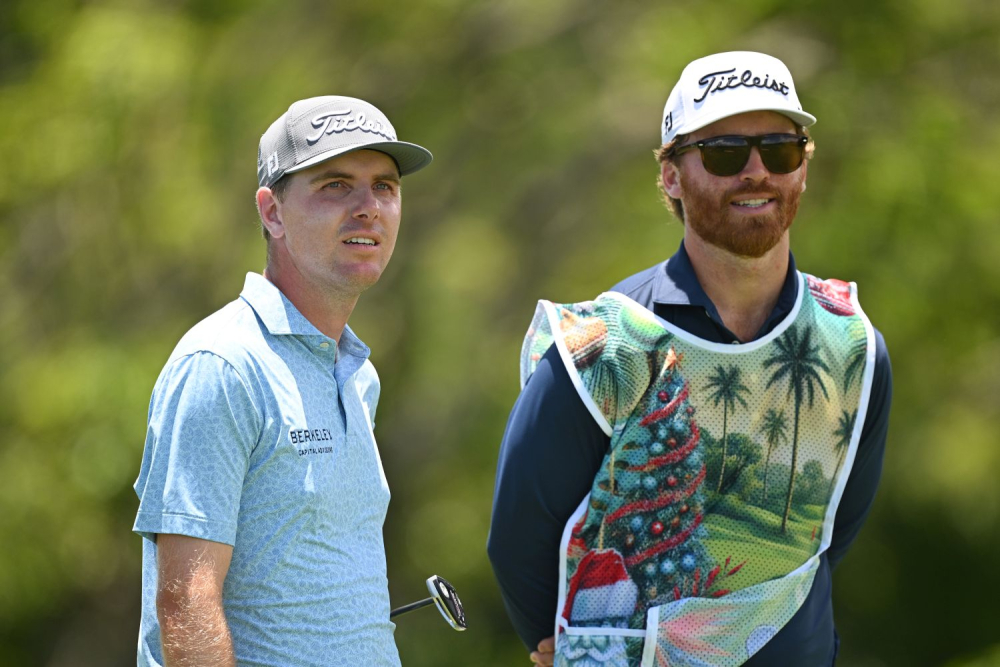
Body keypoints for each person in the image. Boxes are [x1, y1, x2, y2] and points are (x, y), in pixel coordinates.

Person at [488, 51, 891, 667]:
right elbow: (519, 535)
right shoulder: (606, 344)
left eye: (780, 150)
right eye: (725, 152)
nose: (756, 172)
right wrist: (570, 646)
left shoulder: (853, 342)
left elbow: (832, 529)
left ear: (803, 168)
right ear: (672, 175)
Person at [132, 96, 432, 666]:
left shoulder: (357, 373)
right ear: (272, 213)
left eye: (385, 187)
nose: (369, 207)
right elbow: (186, 603)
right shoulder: (222, 364)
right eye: (336, 185)